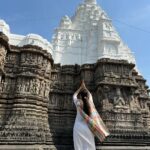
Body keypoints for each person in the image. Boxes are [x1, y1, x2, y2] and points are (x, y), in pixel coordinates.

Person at [73, 80, 110, 150]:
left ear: (80, 96)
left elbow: (74, 95)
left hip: (78, 128)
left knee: (79, 147)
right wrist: (85, 88)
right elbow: (90, 95)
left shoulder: (78, 102)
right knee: (89, 147)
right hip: (89, 127)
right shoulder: (90, 103)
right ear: (87, 96)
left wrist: (80, 88)